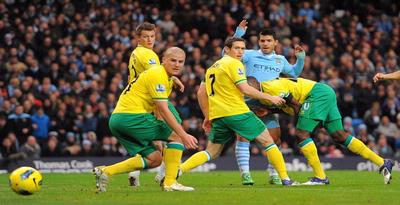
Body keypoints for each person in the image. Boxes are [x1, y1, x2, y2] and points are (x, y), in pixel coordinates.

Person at [179, 37, 299, 186]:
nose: (240, 52)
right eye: (237, 48)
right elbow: (245, 89)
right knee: (269, 142)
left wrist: (208, 116)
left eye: (243, 48)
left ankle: (178, 170)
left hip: (219, 115)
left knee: (211, 152)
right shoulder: (235, 64)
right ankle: (285, 179)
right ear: (227, 49)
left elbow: (201, 92)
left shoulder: (213, 67)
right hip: (237, 112)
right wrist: (270, 98)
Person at [247, 77, 394, 185]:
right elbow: (289, 108)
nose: (247, 94)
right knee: (339, 136)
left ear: (254, 87)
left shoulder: (271, 89)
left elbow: (296, 106)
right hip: (325, 91)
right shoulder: (264, 97)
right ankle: (382, 162)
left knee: (301, 134)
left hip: (316, 95)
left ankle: (320, 177)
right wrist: (269, 110)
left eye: (248, 91)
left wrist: (308, 121)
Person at [93, 47, 198, 192]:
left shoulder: (164, 77)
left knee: (154, 159)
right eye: (173, 60)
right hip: (132, 117)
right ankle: (170, 182)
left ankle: (105, 171)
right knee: (177, 136)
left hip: (118, 120)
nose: (177, 64)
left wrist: (160, 135)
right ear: (163, 60)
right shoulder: (158, 74)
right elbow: (164, 109)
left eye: (181, 62)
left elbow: (158, 110)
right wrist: (183, 135)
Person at [231, 20, 305, 185]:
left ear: (275, 42)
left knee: (275, 140)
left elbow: (293, 73)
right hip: (248, 103)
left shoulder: (280, 60)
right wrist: (238, 35)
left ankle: (274, 174)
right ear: (259, 42)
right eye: (262, 40)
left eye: (269, 40)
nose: (265, 43)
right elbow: (227, 55)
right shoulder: (248, 54)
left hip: (270, 106)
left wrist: (300, 59)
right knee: (243, 137)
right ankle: (245, 174)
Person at [127, 22, 184, 187]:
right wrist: (174, 77)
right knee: (175, 130)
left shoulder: (135, 53)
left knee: (155, 139)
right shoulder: (148, 55)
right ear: (138, 38)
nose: (149, 39)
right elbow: (159, 73)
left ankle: (135, 171)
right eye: (145, 36)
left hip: (139, 99)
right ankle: (164, 174)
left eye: (152, 36)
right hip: (153, 98)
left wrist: (174, 78)